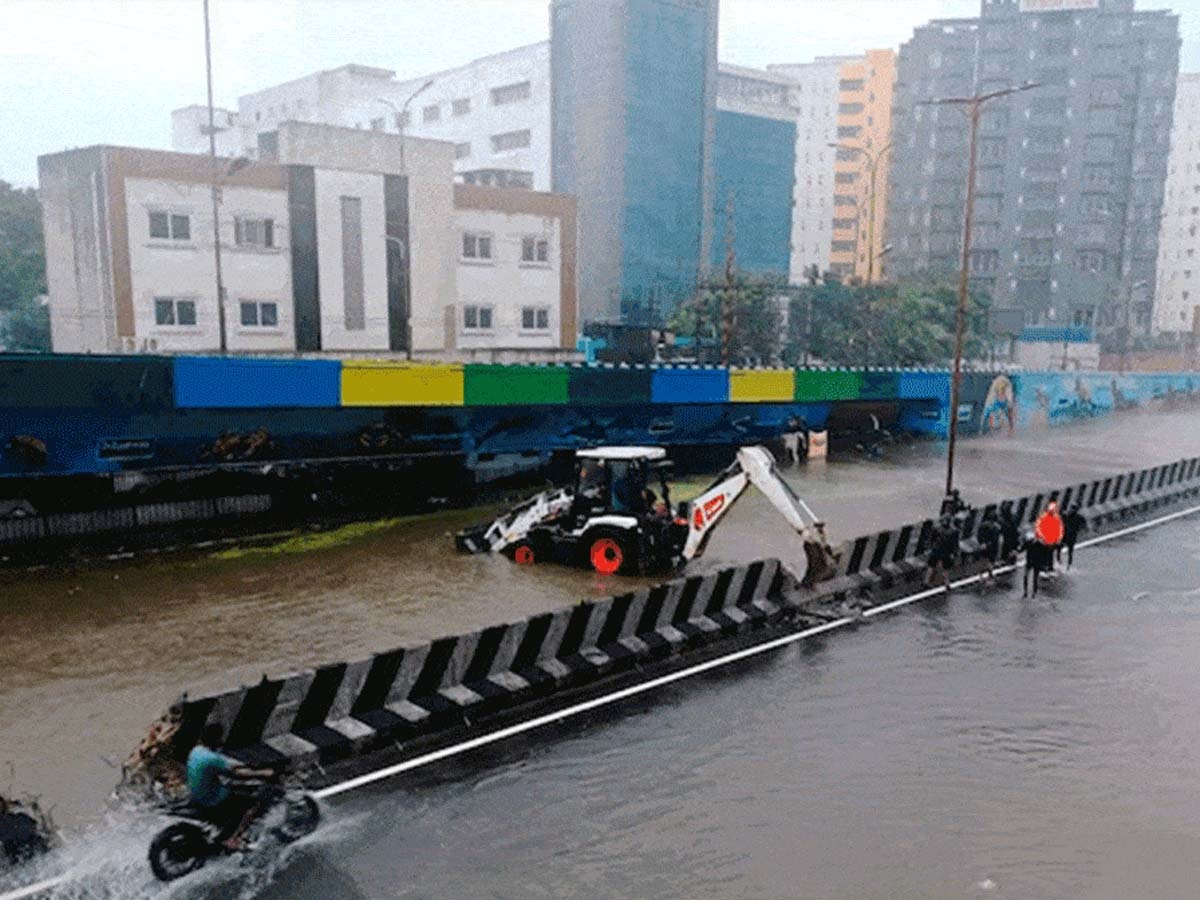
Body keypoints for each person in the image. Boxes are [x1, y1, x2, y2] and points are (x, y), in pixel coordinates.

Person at [187, 724, 274, 851]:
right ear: (215, 739)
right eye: (220, 738)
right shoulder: (212, 759)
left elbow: (224, 766)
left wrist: (241, 766)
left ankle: (226, 830)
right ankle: (233, 839)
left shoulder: (196, 751)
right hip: (212, 798)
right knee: (253, 803)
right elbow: (236, 775)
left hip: (196, 794)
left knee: (234, 790)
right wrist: (262, 773)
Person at [925, 515, 959, 592]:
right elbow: (955, 544)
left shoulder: (937, 529)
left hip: (936, 550)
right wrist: (954, 553)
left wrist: (930, 548)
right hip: (946, 551)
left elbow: (931, 539)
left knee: (931, 566)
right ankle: (947, 583)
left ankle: (927, 581)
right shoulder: (954, 531)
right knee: (945, 568)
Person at [1034, 501, 1065, 571]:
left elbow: (1060, 529)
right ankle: (1045, 567)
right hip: (1045, 539)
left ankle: (1048, 567)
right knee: (1045, 553)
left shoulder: (1056, 518)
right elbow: (1038, 527)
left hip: (1051, 539)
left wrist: (1059, 538)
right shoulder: (1043, 518)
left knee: (1049, 553)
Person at [1022, 530, 1052, 598]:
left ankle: (1033, 592)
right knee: (1027, 576)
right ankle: (1026, 591)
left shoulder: (1040, 545)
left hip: (1035, 562)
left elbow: (1046, 554)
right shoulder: (1031, 543)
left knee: (1034, 577)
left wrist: (1045, 564)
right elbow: (1022, 548)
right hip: (1031, 561)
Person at [975, 508, 1001, 583]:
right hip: (991, 546)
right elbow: (996, 538)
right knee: (990, 561)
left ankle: (981, 575)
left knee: (983, 560)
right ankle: (990, 575)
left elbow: (979, 535)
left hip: (984, 545)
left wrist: (982, 543)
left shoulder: (983, 525)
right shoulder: (996, 527)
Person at [1060, 504, 1088, 569]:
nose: (1071, 510)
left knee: (1069, 551)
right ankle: (1063, 563)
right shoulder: (1070, 516)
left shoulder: (1072, 516)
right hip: (1068, 534)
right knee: (1067, 550)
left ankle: (1068, 565)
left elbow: (1084, 525)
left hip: (1069, 535)